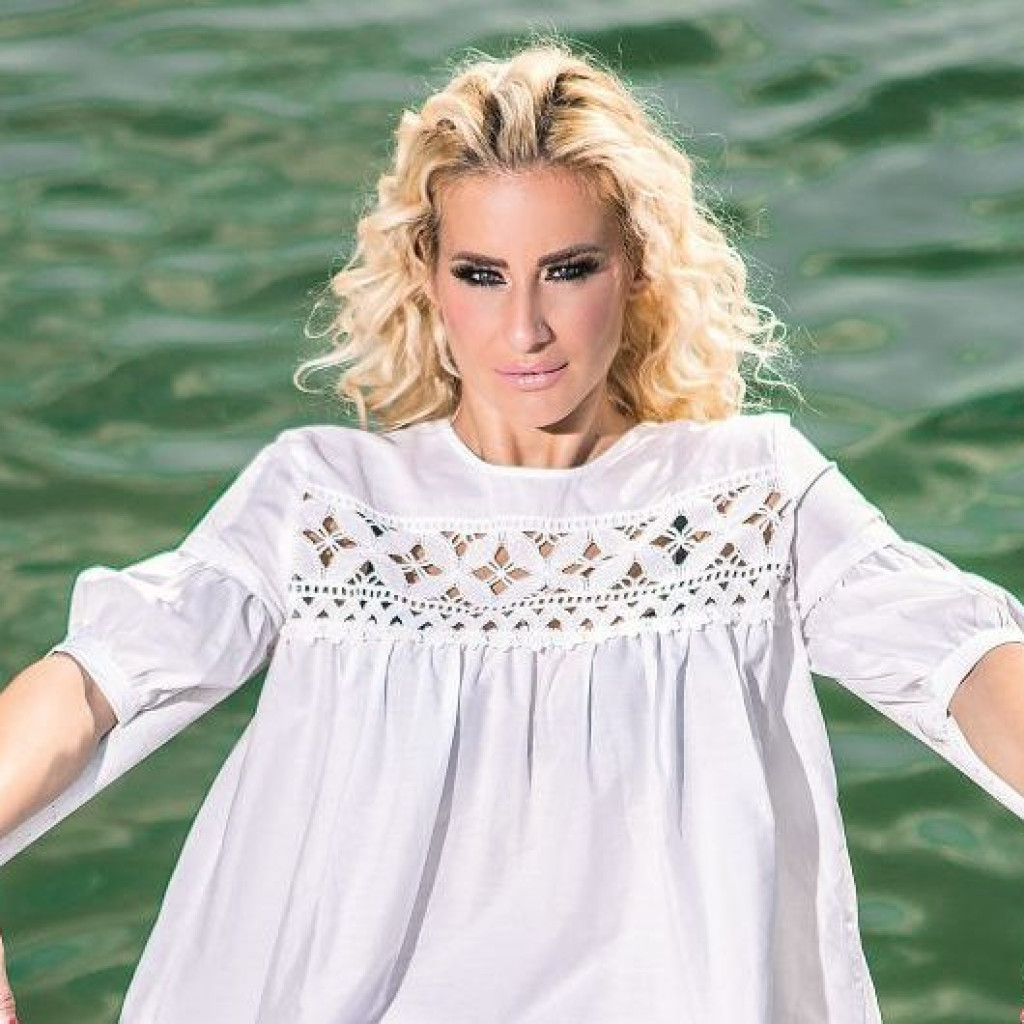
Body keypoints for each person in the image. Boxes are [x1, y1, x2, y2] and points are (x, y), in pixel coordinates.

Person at [2, 34, 1023, 1024]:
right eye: (482, 274)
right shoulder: (323, 499)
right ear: (427, 273)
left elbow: (963, 659)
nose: (525, 327)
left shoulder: (749, 492)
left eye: (568, 269)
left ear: (637, 264)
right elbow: (97, 683)